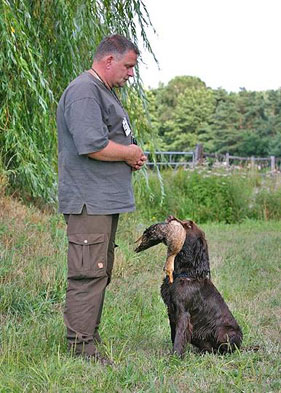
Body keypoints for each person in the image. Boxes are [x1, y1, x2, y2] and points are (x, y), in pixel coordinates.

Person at [56, 34, 147, 364]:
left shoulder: (103, 92)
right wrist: (128, 153)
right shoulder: (84, 91)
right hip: (88, 202)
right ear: (108, 60)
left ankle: (87, 335)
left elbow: (109, 140)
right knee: (88, 272)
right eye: (128, 66)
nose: (131, 74)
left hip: (101, 202)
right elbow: (92, 145)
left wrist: (130, 155)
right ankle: (81, 348)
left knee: (99, 269)